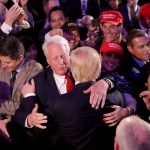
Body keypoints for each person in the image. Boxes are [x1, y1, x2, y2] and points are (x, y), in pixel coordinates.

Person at [13, 35, 113, 149]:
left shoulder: (82, 69)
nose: (61, 62)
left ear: (69, 54)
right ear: (47, 60)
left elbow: (111, 77)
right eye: (55, 58)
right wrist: (30, 120)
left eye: (63, 56)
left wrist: (107, 82)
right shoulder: (38, 82)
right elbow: (19, 115)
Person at [0, 35, 43, 147]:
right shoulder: (1, 65)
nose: (3, 66)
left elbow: (27, 107)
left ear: (19, 58)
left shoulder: (35, 69)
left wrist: (1, 104)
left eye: (7, 63)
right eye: (1, 61)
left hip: (24, 131)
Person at [99, 41, 136, 127]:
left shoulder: (121, 78)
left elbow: (131, 100)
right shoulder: (91, 72)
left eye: (116, 57)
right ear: (100, 55)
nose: (112, 60)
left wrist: (125, 111)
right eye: (108, 55)